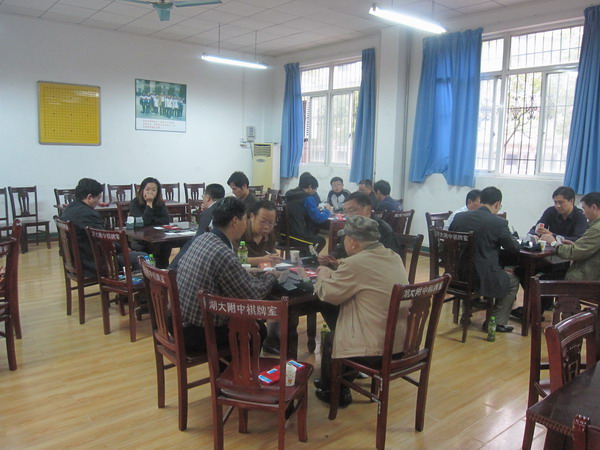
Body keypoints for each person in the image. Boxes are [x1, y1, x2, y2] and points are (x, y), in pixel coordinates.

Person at [313, 216, 409, 407]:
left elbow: (328, 294)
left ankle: (334, 392)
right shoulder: (393, 256)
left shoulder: (356, 264)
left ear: (353, 242)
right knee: (343, 321)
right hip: (400, 343)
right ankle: (341, 379)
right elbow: (368, 272)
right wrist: (340, 265)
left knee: (333, 337)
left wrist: (322, 274)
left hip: (375, 349)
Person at [176, 197, 280, 353]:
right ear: (235, 221)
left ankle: (228, 366)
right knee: (258, 330)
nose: (246, 224)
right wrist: (271, 276)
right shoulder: (224, 253)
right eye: (245, 220)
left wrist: (254, 273)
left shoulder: (203, 238)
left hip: (178, 321)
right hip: (197, 332)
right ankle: (235, 369)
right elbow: (252, 295)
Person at [449, 186, 521, 333]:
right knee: (513, 281)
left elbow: (449, 241)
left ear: (481, 200)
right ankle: (495, 322)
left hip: (457, 274)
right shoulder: (498, 223)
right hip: (481, 277)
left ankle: (468, 309)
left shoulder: (459, 217)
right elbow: (513, 248)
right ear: (497, 204)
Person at [512, 186, 588, 319]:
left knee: (543, 280)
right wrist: (534, 234)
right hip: (547, 257)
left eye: (561, 202)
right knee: (521, 270)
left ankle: (534, 312)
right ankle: (540, 304)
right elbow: (535, 228)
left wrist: (552, 236)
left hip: (566, 261)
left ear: (571, 201)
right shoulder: (550, 211)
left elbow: (577, 239)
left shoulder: (580, 216)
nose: (557, 206)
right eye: (555, 202)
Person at [60, 178, 145, 276]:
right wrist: (123, 248)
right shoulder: (87, 214)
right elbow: (104, 240)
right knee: (142, 257)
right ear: (89, 197)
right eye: (98, 198)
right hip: (92, 265)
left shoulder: (68, 210)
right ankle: (133, 285)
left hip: (77, 263)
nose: (98, 202)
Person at [319, 192, 400, 266]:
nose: (348, 216)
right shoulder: (350, 226)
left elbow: (386, 261)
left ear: (368, 210)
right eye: (345, 212)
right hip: (349, 267)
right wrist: (330, 257)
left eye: (351, 211)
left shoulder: (383, 229)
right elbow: (341, 250)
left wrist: (344, 262)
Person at [540, 191, 600, 281]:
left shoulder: (596, 229)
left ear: (594, 207)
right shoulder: (550, 211)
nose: (583, 213)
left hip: (585, 279)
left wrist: (553, 242)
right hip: (588, 274)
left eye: (584, 209)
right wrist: (574, 245)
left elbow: (573, 253)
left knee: (539, 282)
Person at [168, 183, 225, 270]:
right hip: (223, 247)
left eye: (203, 196)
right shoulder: (224, 208)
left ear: (208, 197)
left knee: (190, 243)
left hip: (210, 251)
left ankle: (171, 270)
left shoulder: (209, 212)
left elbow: (198, 239)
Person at [284, 174, 332, 255]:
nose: (314, 191)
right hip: (298, 235)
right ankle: (307, 260)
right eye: (315, 189)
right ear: (310, 187)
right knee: (321, 241)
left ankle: (301, 258)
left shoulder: (289, 194)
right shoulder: (308, 198)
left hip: (284, 234)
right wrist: (327, 210)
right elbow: (318, 218)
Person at [129, 177, 171, 268]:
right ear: (142, 190)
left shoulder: (159, 203)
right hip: (140, 238)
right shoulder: (135, 203)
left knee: (166, 244)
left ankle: (163, 270)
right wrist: (149, 203)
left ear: (157, 192)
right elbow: (143, 223)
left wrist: (151, 221)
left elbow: (166, 220)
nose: (150, 192)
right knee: (153, 247)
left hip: (157, 236)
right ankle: (151, 270)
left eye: (154, 190)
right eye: (147, 189)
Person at [238, 200, 282, 267]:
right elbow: (235, 260)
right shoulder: (239, 230)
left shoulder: (270, 234)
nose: (266, 227)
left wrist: (274, 259)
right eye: (263, 222)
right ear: (252, 216)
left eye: (271, 223)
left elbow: (271, 255)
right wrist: (262, 260)